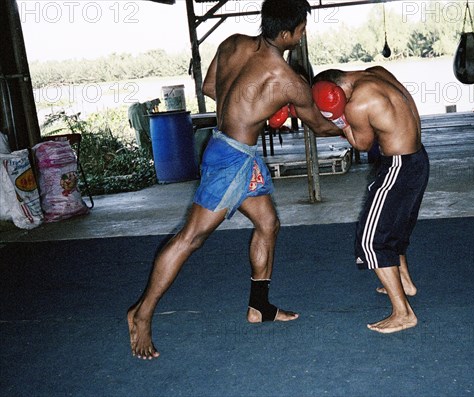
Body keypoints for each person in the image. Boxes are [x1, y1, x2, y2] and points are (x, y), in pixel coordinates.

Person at [127, 0, 341, 360]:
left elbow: (211, 87)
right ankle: (142, 313)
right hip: (231, 161)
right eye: (302, 28)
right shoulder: (287, 80)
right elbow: (319, 126)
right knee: (190, 238)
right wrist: (351, 125)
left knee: (268, 223)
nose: (304, 33)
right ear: (287, 34)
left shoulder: (233, 43)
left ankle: (260, 307)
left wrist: (249, 106)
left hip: (228, 149)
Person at [312, 66, 429, 334]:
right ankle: (406, 282)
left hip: (398, 167)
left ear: (335, 92)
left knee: (371, 240)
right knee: (394, 228)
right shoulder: (377, 72)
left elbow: (362, 144)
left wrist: (340, 118)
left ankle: (403, 313)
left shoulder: (357, 103)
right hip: (418, 160)